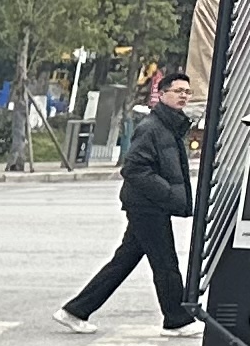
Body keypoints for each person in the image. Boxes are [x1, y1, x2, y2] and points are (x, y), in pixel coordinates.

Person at [62, 73, 198, 330]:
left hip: (150, 204)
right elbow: (134, 168)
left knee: (123, 262)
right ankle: (177, 320)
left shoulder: (169, 126)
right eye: (178, 90)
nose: (183, 95)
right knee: (165, 262)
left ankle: (76, 310)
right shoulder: (151, 127)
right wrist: (167, 193)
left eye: (187, 92)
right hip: (147, 205)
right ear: (162, 94)